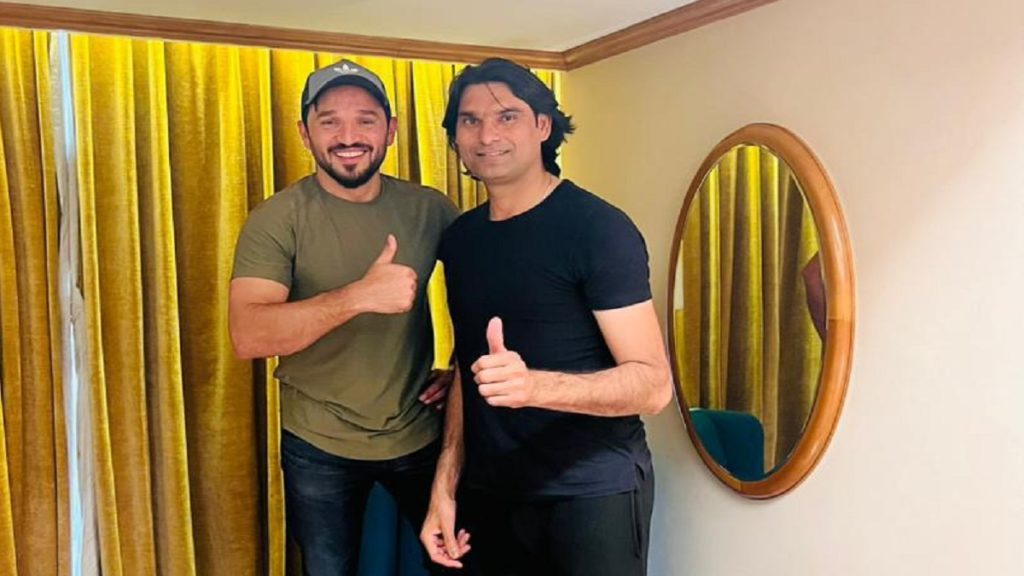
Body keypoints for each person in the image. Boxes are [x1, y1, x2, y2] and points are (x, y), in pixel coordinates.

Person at [419, 58, 673, 576]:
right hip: (490, 494)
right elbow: (472, 369)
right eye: (470, 120)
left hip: (591, 491)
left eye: (507, 116)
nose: (487, 134)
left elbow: (653, 386)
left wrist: (533, 387)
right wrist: (444, 485)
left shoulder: (598, 229)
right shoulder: (461, 240)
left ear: (542, 126)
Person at [229, 59, 459, 575]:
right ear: (304, 133)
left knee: (456, 561)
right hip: (318, 440)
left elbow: (491, 294)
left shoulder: (430, 209)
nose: (348, 136)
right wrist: (357, 297)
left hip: (418, 432)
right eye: (329, 121)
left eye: (365, 120)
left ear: (391, 130)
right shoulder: (277, 218)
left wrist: (460, 371)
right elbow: (248, 335)